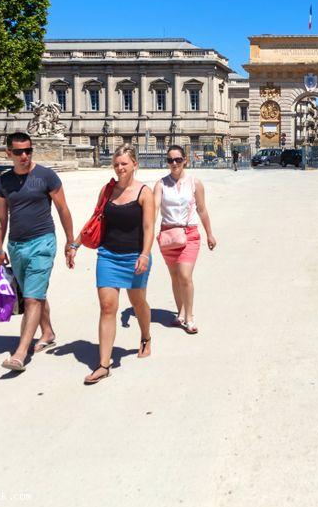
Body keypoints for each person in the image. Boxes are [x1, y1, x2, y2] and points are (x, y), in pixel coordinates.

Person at [69, 145, 156, 385]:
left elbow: (149, 227)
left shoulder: (144, 193)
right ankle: (103, 364)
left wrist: (145, 254)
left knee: (138, 302)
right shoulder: (107, 191)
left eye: (124, 164)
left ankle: (146, 336)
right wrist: (75, 244)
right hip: (108, 255)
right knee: (108, 306)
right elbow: (95, 218)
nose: (120, 168)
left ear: (134, 165)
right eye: (116, 164)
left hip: (135, 256)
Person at [0, 132, 76, 372]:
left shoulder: (46, 176)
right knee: (35, 293)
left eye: (28, 150)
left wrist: (70, 243)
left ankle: (20, 353)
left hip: (43, 242)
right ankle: (47, 332)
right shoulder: (3, 181)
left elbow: (63, 209)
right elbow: (1, 218)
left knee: (31, 298)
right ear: (8, 153)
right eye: (18, 152)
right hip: (16, 245)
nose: (24, 156)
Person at [154, 145, 217, 335]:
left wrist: (209, 233)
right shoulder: (160, 184)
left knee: (184, 275)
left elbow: (202, 209)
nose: (174, 163)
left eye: (178, 160)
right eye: (170, 160)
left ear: (185, 160)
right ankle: (180, 312)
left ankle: (189, 318)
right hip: (167, 236)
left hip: (189, 234)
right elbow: (154, 209)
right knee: (174, 277)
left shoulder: (195, 183)